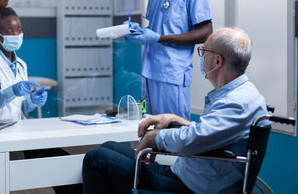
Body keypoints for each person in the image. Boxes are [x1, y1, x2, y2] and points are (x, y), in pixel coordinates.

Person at [83, 28, 270, 194]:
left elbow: (192, 140)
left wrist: (155, 138)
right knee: (109, 146)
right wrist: (173, 119)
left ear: (217, 61)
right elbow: (212, 133)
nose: (201, 56)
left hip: (189, 187)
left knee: (97, 159)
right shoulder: (241, 95)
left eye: (203, 51)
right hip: (189, 175)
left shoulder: (237, 103)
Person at [0, 0, 82, 194]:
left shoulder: (21, 65)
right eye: (9, 32)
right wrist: (9, 92)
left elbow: (21, 106)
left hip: (17, 130)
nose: (16, 35)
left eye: (19, 29)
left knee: (62, 164)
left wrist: (31, 101)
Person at [125, 0, 213, 119]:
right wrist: (139, 32)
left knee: (173, 134)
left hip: (172, 75)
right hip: (149, 72)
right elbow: (157, 28)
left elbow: (206, 32)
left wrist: (158, 38)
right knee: (148, 129)